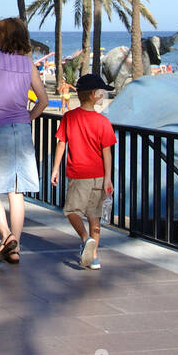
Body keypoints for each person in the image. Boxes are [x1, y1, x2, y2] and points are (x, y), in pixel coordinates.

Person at [0, 17, 49, 265]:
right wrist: (28, 117)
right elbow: (43, 100)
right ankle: (15, 248)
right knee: (16, 192)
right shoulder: (28, 63)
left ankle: (7, 236)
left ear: (4, 36)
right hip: (22, 130)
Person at [50, 73, 117, 269]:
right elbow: (107, 153)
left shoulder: (69, 117)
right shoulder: (103, 122)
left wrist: (55, 169)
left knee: (71, 211)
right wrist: (108, 178)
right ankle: (93, 256)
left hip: (78, 175)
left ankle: (86, 239)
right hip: (97, 175)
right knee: (94, 216)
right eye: (102, 92)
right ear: (95, 94)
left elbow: (61, 144)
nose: (103, 95)